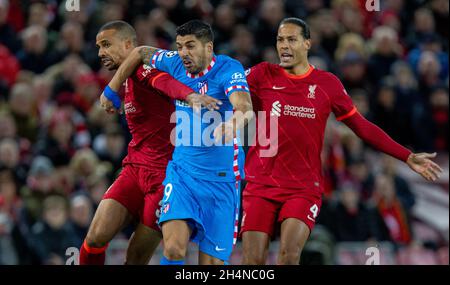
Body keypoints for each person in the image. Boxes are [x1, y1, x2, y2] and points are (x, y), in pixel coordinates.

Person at [240, 17, 443, 265]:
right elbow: (225, 87)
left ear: (307, 44)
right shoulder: (262, 74)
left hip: (303, 187)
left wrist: (407, 156)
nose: (284, 46)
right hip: (260, 183)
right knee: (252, 261)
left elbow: (363, 128)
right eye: (280, 40)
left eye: (292, 39)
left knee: (288, 255)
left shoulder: (327, 84)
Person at [102, 20, 253, 265]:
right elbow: (139, 53)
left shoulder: (228, 69)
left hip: (221, 180)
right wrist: (112, 89)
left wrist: (231, 124)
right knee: (173, 248)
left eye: (190, 46)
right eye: (180, 46)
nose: (183, 53)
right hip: (182, 175)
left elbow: (244, 107)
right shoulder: (174, 62)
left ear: (208, 47)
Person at [80, 20, 219, 265]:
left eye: (106, 45)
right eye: (98, 47)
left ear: (127, 44)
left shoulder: (145, 67)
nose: (100, 52)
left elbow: (163, 83)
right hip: (134, 170)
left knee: (136, 257)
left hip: (165, 179)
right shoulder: (125, 78)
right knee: (94, 239)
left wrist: (190, 96)